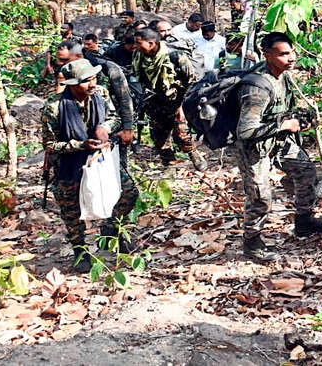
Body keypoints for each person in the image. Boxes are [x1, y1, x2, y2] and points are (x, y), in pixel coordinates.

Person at [235, 32, 322, 261]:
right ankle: (252, 243)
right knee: (260, 196)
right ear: (267, 55)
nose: (291, 58)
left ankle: (304, 222)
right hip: (253, 148)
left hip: (277, 141)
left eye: (292, 52)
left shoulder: (282, 76)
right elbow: (245, 131)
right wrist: (285, 124)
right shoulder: (257, 87)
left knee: (305, 171)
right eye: (283, 54)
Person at [41, 59, 140, 273]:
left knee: (128, 193)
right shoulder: (54, 108)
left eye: (94, 78)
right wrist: (80, 145)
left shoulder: (101, 94)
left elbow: (114, 117)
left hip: (100, 159)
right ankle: (80, 251)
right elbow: (49, 144)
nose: (92, 84)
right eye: (86, 81)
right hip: (69, 164)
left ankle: (112, 229)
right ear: (72, 84)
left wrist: (104, 127)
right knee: (71, 210)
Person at [132, 28, 207, 170]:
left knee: (182, 133)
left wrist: (182, 106)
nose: (135, 46)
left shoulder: (176, 57)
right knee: (159, 137)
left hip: (176, 101)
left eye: (138, 43)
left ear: (151, 43)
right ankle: (169, 164)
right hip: (154, 102)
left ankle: (193, 154)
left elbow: (191, 82)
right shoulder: (139, 56)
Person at [56, 41, 136, 160]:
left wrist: (127, 128)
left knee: (114, 166)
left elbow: (124, 99)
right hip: (78, 133)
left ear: (78, 56)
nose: (59, 63)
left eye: (64, 60)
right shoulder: (68, 72)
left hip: (109, 125)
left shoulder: (109, 69)